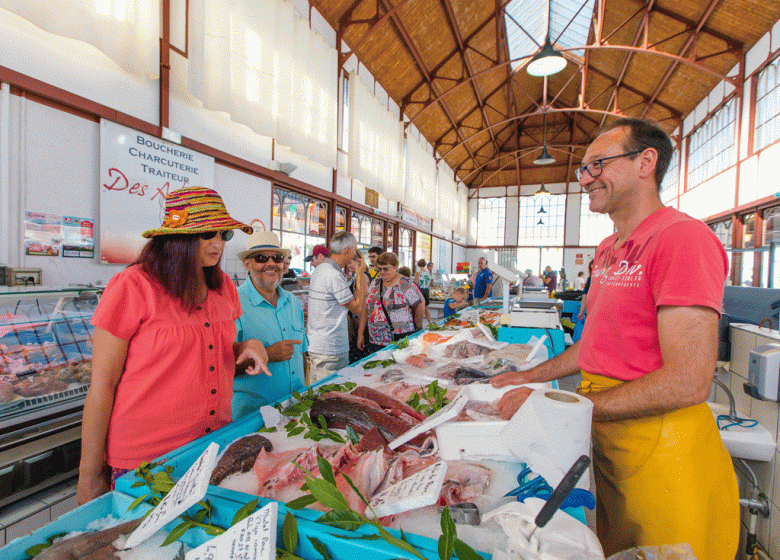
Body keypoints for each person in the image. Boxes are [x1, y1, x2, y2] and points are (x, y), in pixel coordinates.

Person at [490, 118, 738, 559]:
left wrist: (561, 410)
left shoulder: (682, 239)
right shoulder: (609, 249)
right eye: (582, 170)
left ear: (646, 162)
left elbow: (688, 382)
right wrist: (526, 377)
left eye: (597, 164)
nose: (586, 179)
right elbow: (595, 349)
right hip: (608, 442)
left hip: (663, 448)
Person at [77, 187, 271, 504]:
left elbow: (209, 356)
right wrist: (89, 475)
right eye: (207, 233)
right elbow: (103, 384)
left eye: (224, 234)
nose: (219, 244)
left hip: (212, 448)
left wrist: (248, 345)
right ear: (176, 238)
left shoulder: (223, 288)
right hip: (146, 462)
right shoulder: (133, 285)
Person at [233, 231, 307, 419]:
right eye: (261, 258)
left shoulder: (292, 302)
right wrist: (267, 354)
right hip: (253, 417)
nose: (271, 263)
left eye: (277, 257)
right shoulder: (233, 304)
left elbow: (302, 353)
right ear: (247, 264)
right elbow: (219, 368)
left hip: (295, 408)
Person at [307, 231, 366, 381]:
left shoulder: (320, 269)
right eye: (354, 250)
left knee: (317, 390)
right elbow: (357, 308)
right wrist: (359, 274)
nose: (354, 254)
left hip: (317, 343)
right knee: (329, 394)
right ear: (347, 251)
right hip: (330, 349)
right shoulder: (333, 274)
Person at [365, 252, 424, 350]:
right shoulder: (375, 283)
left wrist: (418, 327)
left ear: (396, 267)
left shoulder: (405, 284)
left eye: (386, 269)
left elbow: (420, 304)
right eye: (379, 268)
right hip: (375, 339)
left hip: (399, 339)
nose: (382, 272)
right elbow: (366, 307)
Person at [346, 249, 370, 364]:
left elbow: (363, 302)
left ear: (358, 262)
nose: (349, 266)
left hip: (360, 322)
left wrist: (360, 328)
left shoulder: (361, 277)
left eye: (351, 262)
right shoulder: (360, 277)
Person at [414, 258, 432, 324]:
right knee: (426, 309)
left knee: (419, 309)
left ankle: (419, 324)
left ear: (418, 265)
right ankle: (430, 322)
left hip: (420, 291)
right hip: (426, 290)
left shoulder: (418, 273)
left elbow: (415, 283)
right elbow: (429, 282)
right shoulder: (428, 272)